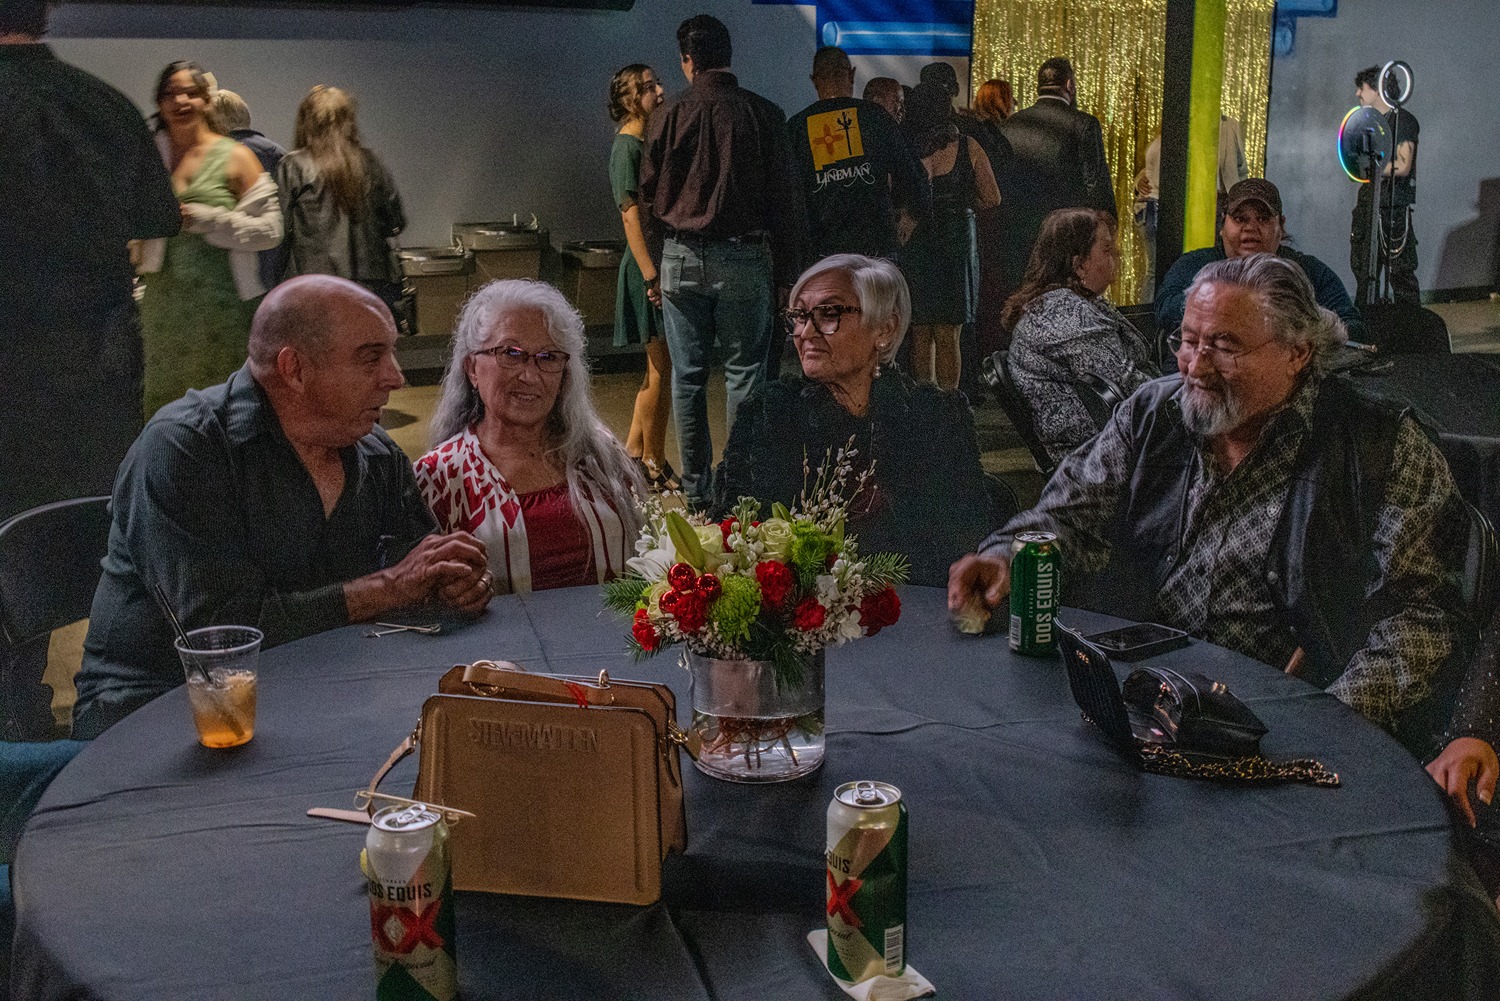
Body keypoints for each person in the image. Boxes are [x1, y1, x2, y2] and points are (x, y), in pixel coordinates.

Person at [950, 253, 1474, 764]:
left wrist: (1322, 720)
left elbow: (1421, 617)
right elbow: (1066, 513)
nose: (1196, 367)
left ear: (1298, 353)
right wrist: (1002, 555)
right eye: (1188, 341)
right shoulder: (1153, 414)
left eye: (1225, 347)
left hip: (1276, 723)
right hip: (1141, 699)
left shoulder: (1379, 446)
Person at [72, 276, 490, 738]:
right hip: (163, 707)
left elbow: (419, 571)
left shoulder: (375, 453)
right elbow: (223, 635)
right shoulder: (187, 447)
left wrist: (452, 584)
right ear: (294, 369)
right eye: (371, 357)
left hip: (315, 690)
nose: (396, 376)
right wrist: (388, 588)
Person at [0, 0, 179, 871]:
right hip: (90, 388)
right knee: (78, 551)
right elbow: (153, 230)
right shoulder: (103, 106)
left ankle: (17, 734)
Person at [0, 1, 179, 526]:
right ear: (44, 14)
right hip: (96, 348)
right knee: (89, 514)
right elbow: (160, 214)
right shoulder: (103, 102)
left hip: (11, 345)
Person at [714, 255, 993, 587]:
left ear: (885, 329)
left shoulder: (934, 417)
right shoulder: (770, 413)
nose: (805, 332)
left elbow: (967, 541)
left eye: (829, 314)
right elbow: (734, 534)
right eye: (800, 316)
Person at [638, 14, 803, 508]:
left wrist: (657, 263)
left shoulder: (665, 116)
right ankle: (738, 492)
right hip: (745, 259)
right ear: (729, 55)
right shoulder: (764, 114)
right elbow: (786, 201)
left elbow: (647, 197)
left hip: (679, 257)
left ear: (688, 61)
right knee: (744, 376)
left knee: (687, 379)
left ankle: (696, 493)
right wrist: (788, 273)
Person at [414, 280, 642, 595]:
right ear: (472, 369)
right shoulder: (439, 477)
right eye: (511, 353)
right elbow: (422, 597)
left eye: (548, 357)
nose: (530, 376)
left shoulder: (599, 452)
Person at [137, 60, 282, 416]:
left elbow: (271, 230)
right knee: (161, 406)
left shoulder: (236, 156)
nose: (180, 101)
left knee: (222, 405)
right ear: (159, 102)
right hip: (162, 310)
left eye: (190, 92)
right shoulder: (148, 158)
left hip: (223, 306)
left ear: (206, 100)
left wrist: (209, 220)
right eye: (171, 93)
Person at [1003, 208, 1156, 465]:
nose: (1117, 255)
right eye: (1107, 249)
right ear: (1079, 264)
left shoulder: (1072, 304)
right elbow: (1126, 384)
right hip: (1095, 457)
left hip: (1107, 441)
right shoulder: (1064, 315)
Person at [1155, 178, 1367, 341]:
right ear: (1223, 224)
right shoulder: (1194, 265)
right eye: (1240, 218)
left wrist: (1294, 324)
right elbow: (1165, 310)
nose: (1250, 227)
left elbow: (1353, 329)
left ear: (1281, 225)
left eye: (1263, 218)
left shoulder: (1309, 271)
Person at [899, 80, 999, 390]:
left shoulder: (907, 147)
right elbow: (992, 197)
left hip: (917, 240)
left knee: (920, 329)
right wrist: (964, 203)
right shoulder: (968, 146)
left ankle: (925, 403)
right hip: (956, 239)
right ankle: (949, 403)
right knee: (949, 332)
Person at [786, 46, 928, 262]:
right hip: (876, 252)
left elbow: (789, 197)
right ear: (851, 74)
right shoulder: (875, 116)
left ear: (814, 80)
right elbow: (913, 176)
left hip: (824, 255)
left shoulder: (796, 127)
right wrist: (911, 216)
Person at [277, 85, 407, 320]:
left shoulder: (293, 165)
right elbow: (395, 222)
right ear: (349, 121)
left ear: (307, 122)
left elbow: (280, 231)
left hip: (314, 286)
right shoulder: (371, 161)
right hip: (371, 287)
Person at [606, 64, 676, 492]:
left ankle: (634, 453)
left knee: (658, 369)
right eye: (649, 87)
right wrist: (651, 275)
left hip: (653, 264)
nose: (660, 92)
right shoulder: (627, 148)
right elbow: (630, 216)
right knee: (661, 369)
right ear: (630, 99)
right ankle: (654, 462)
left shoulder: (642, 143)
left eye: (657, 83)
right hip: (646, 266)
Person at [996, 58, 1116, 300]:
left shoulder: (1010, 125)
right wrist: (1108, 230)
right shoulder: (1084, 124)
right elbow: (1096, 185)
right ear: (1069, 85)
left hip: (1017, 234)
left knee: (1023, 299)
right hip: (1066, 238)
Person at [1133, 116, 1248, 301]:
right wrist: (1140, 180)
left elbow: (1240, 169)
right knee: (1165, 268)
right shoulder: (1180, 126)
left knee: (1215, 262)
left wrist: (1240, 201)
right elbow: (1161, 167)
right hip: (1184, 202)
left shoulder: (1229, 126)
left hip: (1217, 201)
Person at [1351, 65, 1420, 305]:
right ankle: (1366, 321)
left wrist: (1370, 168)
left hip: (1392, 210)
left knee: (1400, 274)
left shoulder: (1403, 121)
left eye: (1362, 88)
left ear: (1377, 89)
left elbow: (1403, 165)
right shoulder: (1368, 122)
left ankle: (1409, 323)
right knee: (1364, 274)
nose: (1358, 94)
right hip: (1368, 206)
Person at [211, 88, 287, 295]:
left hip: (231, 274)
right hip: (277, 266)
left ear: (216, 122)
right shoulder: (279, 154)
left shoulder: (214, 158)